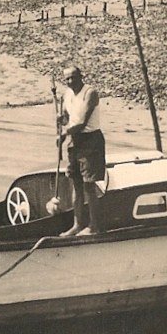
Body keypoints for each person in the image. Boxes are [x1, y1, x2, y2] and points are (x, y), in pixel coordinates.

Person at [57, 65, 106, 235]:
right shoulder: (67, 94)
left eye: (74, 77)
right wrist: (61, 120)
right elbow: (67, 119)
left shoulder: (90, 93)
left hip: (91, 140)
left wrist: (64, 133)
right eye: (67, 79)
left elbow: (82, 122)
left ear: (81, 76)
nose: (71, 82)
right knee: (75, 183)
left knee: (88, 185)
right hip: (75, 141)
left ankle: (94, 227)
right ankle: (77, 224)